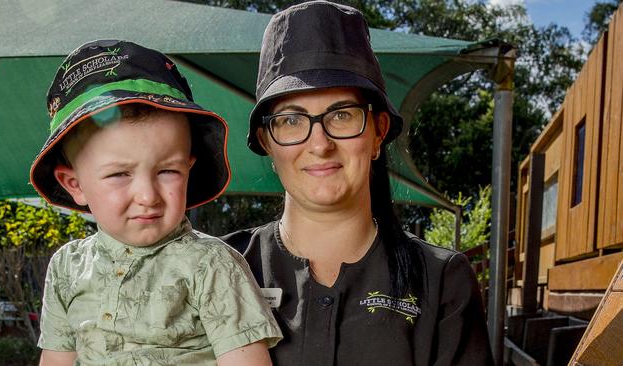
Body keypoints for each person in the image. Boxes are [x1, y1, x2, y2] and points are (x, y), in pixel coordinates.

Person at [221, 1, 494, 365]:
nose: (320, 144)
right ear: (267, 141)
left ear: (378, 132)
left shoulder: (442, 281)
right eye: (291, 121)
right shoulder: (218, 268)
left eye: (342, 115)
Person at [30, 40, 282, 366]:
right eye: (120, 174)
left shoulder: (211, 264)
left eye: (167, 171)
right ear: (74, 184)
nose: (148, 196)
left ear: (188, 170)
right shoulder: (66, 267)